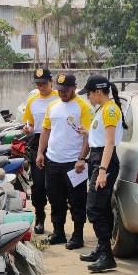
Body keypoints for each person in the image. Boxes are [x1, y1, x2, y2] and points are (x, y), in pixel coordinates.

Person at [36, 74, 93, 249]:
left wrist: (82, 158)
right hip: (53, 161)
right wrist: (40, 153)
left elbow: (88, 136)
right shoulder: (53, 106)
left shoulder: (83, 106)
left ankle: (77, 236)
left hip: (73, 164)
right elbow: (46, 131)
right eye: (60, 90)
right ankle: (58, 233)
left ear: (74, 88)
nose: (62, 93)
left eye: (66, 90)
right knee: (55, 199)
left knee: (77, 200)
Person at [77, 75, 126, 272]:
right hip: (97, 159)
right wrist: (87, 133)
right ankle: (101, 248)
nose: (87, 97)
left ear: (98, 91)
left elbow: (110, 142)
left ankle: (107, 255)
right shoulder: (103, 109)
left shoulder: (111, 110)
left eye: (88, 93)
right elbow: (100, 138)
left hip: (104, 161)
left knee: (94, 208)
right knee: (102, 206)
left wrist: (103, 171)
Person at [22, 68, 58, 234]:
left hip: (58, 143)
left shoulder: (60, 97)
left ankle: (59, 223)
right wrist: (27, 129)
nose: (41, 87)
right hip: (37, 144)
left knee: (56, 186)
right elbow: (28, 123)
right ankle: (40, 216)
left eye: (43, 83)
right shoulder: (32, 101)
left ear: (51, 81)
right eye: (38, 84)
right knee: (38, 185)